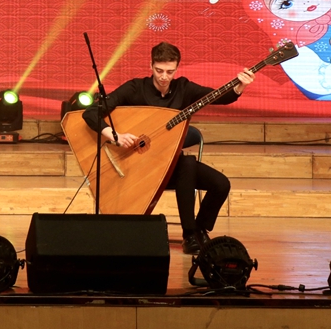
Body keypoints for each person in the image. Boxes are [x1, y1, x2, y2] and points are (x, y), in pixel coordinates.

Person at [82, 42, 254, 254]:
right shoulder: (135, 88)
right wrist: (114, 135)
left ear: (176, 68)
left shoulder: (183, 88)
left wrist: (239, 87)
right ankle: (189, 235)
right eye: (159, 70)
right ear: (151, 65)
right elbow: (90, 113)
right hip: (138, 168)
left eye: (170, 72)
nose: (164, 77)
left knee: (220, 184)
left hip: (170, 168)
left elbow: (218, 96)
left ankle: (198, 230)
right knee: (187, 163)